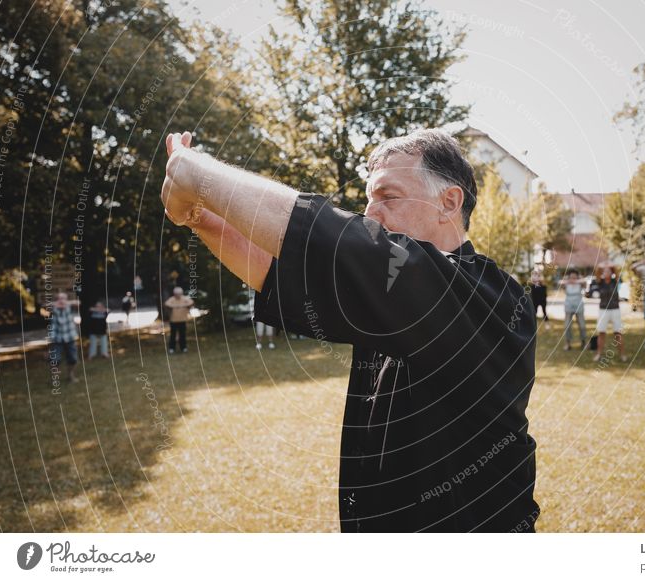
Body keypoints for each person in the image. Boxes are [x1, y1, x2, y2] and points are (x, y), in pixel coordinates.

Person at [160, 129, 540, 532]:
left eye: (388, 197)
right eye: (368, 198)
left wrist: (190, 170)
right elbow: (275, 272)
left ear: (449, 202)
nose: (370, 213)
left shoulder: (489, 299)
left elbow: (325, 236)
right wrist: (199, 217)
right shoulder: (390, 299)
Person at [594, 261, 626, 362]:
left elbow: (616, 270)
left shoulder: (615, 281)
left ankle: (622, 354)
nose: (606, 272)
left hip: (615, 309)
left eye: (608, 271)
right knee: (601, 332)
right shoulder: (600, 282)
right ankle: (598, 354)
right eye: (605, 271)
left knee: (618, 333)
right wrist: (603, 266)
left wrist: (609, 265)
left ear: (611, 272)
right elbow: (597, 271)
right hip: (603, 310)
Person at [49, 292, 79, 382]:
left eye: (64, 298)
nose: (62, 300)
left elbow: (78, 303)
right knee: (55, 360)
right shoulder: (53, 309)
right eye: (60, 298)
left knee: (73, 359)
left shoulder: (69, 307)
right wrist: (57, 304)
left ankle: (71, 376)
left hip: (70, 338)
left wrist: (66, 303)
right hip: (57, 339)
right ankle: (55, 379)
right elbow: (45, 304)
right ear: (56, 300)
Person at [559, 269, 586, 350]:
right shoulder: (566, 283)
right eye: (571, 277)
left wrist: (578, 278)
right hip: (568, 305)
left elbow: (585, 282)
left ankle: (583, 342)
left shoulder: (580, 283)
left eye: (575, 277)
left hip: (579, 305)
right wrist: (568, 279)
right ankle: (568, 343)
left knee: (582, 325)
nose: (573, 279)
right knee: (567, 325)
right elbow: (560, 283)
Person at [164, 287, 194, 354]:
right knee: (173, 335)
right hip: (173, 320)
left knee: (182, 335)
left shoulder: (184, 298)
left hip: (182, 320)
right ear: (174, 294)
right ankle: (172, 348)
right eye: (177, 294)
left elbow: (191, 302)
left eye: (179, 294)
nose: (178, 295)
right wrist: (175, 306)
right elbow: (166, 304)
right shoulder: (172, 299)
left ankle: (183, 348)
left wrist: (182, 305)